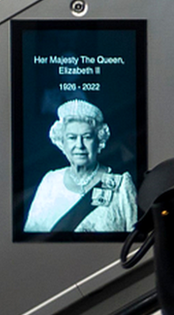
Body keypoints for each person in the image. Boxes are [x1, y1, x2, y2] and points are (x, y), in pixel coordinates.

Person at [24, 99, 137, 232]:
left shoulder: (121, 184)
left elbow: (136, 243)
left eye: (87, 137)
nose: (80, 145)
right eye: (72, 138)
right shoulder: (50, 181)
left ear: (99, 141)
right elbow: (32, 237)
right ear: (62, 142)